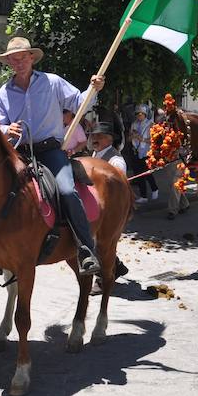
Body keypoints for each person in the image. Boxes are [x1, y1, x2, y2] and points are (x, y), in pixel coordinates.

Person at [0, 36, 105, 275]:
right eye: (14, 59)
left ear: (31, 57)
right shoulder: (3, 93)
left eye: (22, 57)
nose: (18, 62)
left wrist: (93, 89)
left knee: (66, 190)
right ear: (9, 62)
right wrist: (5, 129)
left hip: (50, 150)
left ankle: (85, 248)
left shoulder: (52, 82)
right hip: (20, 152)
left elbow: (78, 102)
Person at [88, 121, 130, 293]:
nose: (95, 139)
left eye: (100, 136)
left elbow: (118, 190)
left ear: (110, 139)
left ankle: (101, 279)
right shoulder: (94, 154)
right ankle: (117, 266)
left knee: (102, 243)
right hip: (94, 205)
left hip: (109, 211)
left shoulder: (116, 161)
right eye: (94, 135)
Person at [130, 105, 158, 204]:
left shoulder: (151, 125)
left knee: (147, 172)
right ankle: (143, 196)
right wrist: (133, 136)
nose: (138, 115)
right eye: (137, 114)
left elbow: (154, 140)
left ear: (145, 114)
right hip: (136, 151)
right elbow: (130, 137)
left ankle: (155, 189)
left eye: (140, 114)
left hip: (146, 152)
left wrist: (143, 139)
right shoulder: (134, 124)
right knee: (139, 174)